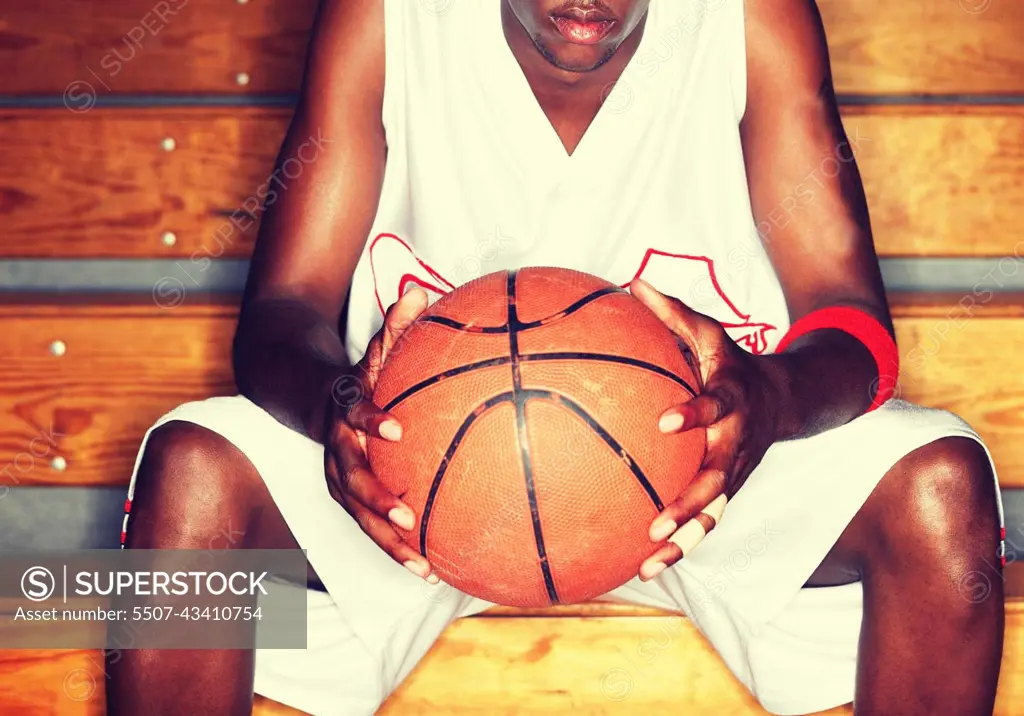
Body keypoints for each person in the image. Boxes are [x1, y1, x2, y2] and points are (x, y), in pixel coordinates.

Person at [109, 1, 1006, 714]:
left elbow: (854, 321)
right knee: (194, 465)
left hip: (704, 481)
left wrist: (770, 395)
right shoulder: (387, 16)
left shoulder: (748, 17)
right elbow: (281, 309)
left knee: (940, 479)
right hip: (414, 483)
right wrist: (334, 410)